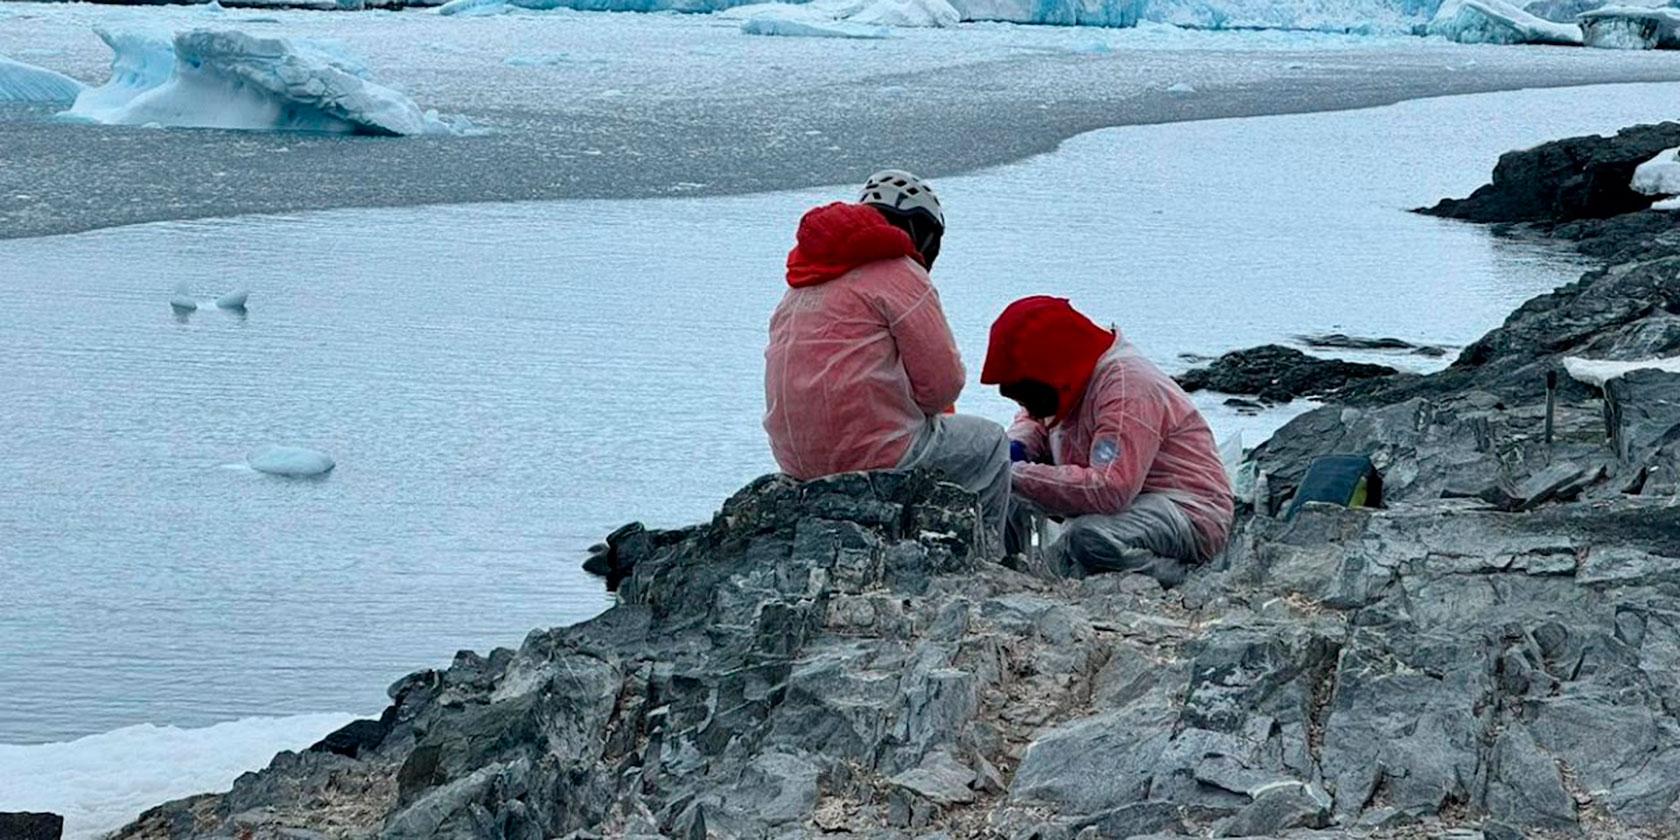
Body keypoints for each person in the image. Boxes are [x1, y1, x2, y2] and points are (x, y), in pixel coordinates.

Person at [764, 170, 1011, 551]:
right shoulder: (900, 271)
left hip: (796, 461)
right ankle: (987, 557)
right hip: (874, 456)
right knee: (991, 445)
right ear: (922, 233)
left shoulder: (801, 281)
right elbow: (943, 385)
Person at [980, 295, 1233, 586]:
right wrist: (1017, 447)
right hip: (1134, 503)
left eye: (1027, 394)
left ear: (1054, 370)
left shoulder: (1128, 388)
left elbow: (1110, 488)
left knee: (1088, 536)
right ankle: (1020, 572)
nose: (1028, 405)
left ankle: (1184, 579)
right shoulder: (1067, 376)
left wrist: (1016, 473)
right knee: (1009, 497)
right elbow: (1035, 419)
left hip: (1186, 509)